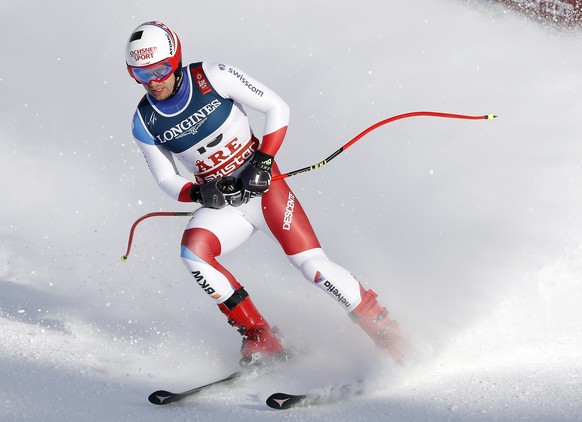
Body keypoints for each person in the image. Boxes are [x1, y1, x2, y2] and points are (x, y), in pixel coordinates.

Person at [125, 21, 404, 366]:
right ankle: (260, 336)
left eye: (160, 69)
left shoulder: (213, 76)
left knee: (312, 266)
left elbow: (277, 108)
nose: (153, 80)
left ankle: (388, 333)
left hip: (264, 187)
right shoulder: (144, 121)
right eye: (140, 73)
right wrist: (200, 192)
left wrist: (262, 161)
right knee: (193, 255)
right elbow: (166, 177)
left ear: (176, 60)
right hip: (225, 203)